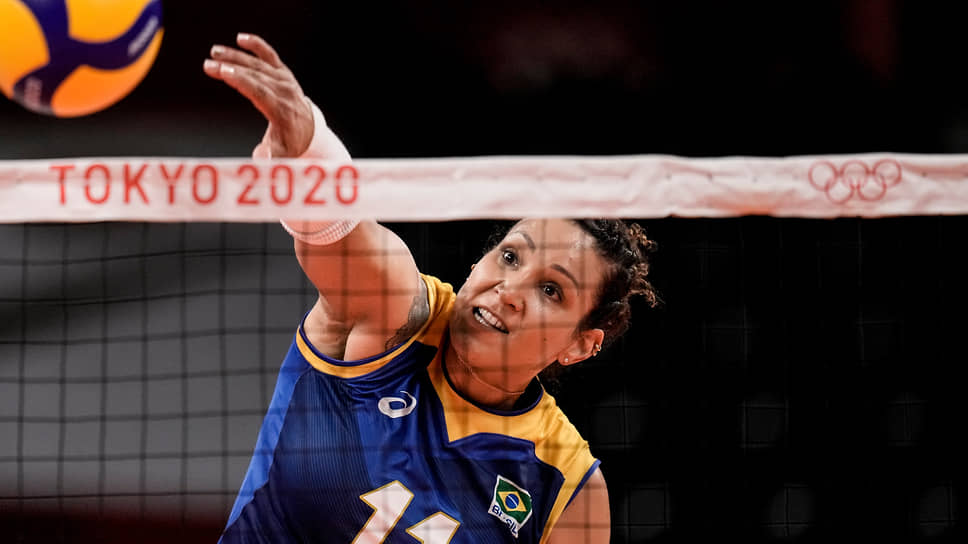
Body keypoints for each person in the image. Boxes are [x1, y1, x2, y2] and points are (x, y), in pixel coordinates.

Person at [203, 33, 657, 544]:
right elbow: (336, 232)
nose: (509, 290)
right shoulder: (399, 316)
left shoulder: (566, 488)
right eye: (510, 256)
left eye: (551, 290)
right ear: (480, 260)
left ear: (581, 344)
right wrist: (307, 149)